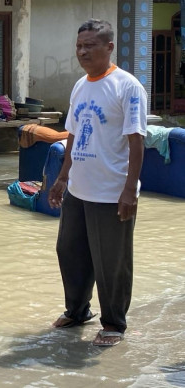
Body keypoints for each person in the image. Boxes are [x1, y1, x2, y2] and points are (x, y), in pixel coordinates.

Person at [48, 19, 147, 347]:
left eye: (90, 45)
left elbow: (136, 142)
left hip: (111, 192)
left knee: (111, 262)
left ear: (109, 47)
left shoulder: (127, 86)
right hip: (78, 188)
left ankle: (114, 324)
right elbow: (72, 136)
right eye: (79, 46)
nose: (82, 51)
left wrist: (129, 189)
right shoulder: (80, 86)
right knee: (69, 250)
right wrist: (62, 177)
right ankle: (77, 311)